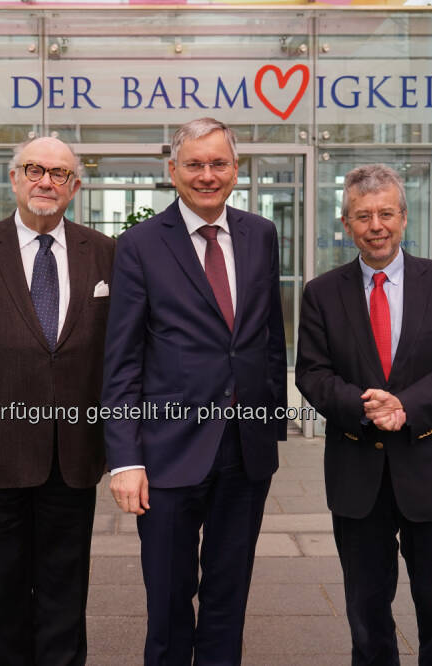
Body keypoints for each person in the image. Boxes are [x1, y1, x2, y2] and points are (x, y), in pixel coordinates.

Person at [102, 117, 286, 664]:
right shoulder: (138, 245)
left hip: (244, 454)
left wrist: (269, 429)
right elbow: (122, 359)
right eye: (195, 165)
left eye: (219, 163)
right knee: (168, 600)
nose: (208, 175)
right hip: (166, 454)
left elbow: (269, 337)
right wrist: (124, 460)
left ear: (236, 168)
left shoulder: (261, 233)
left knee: (230, 597)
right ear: (172, 171)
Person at [295, 163, 432, 665]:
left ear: (404, 218)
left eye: (385, 213)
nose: (375, 225)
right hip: (359, 477)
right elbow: (312, 374)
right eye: (362, 216)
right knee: (366, 615)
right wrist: (367, 408)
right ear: (346, 225)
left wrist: (406, 406)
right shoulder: (321, 293)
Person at [0, 136, 115, 665]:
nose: (46, 181)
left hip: (74, 457)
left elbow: (120, 352)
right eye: (35, 169)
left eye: (60, 173)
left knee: (67, 594)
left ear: (76, 187)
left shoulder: (104, 252)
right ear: (13, 177)